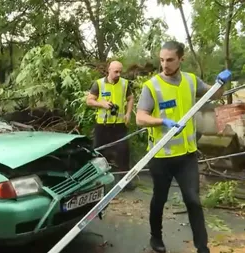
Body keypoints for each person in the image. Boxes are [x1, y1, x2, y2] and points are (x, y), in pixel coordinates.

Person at [136, 40, 231, 253]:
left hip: (187, 156)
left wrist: (220, 83)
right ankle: (156, 237)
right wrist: (162, 121)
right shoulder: (152, 86)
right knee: (159, 199)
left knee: (193, 201)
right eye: (161, 60)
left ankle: (202, 247)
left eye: (170, 60)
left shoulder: (190, 81)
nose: (164, 64)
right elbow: (140, 118)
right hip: (160, 155)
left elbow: (215, 95)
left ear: (181, 59)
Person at [86, 60, 135, 190]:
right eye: (116, 71)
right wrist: (102, 104)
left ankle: (125, 183)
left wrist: (128, 113)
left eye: (120, 71)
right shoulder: (99, 84)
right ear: (109, 70)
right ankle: (97, 182)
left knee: (123, 154)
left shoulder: (125, 84)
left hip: (119, 126)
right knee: (98, 154)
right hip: (102, 126)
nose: (118, 74)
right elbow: (89, 101)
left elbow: (130, 98)